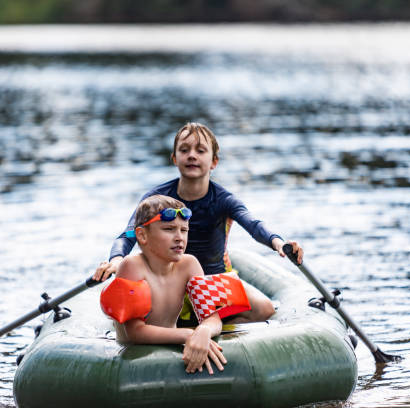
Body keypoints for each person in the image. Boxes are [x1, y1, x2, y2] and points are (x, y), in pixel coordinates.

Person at [95, 122, 303, 324]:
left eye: (200, 150)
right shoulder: (156, 199)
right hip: (169, 283)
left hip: (213, 281)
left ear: (214, 162)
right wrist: (117, 258)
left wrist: (278, 242)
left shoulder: (224, 200)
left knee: (264, 309)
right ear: (175, 159)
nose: (192, 155)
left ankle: (216, 327)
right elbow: (129, 234)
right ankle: (186, 326)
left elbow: (254, 225)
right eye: (184, 150)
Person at [105, 194, 227, 375]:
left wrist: (203, 330)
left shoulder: (189, 264)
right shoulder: (132, 266)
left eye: (184, 230)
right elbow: (135, 332)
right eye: (169, 229)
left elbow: (213, 318)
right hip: (135, 356)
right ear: (142, 235)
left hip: (171, 344)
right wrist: (188, 335)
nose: (179, 238)